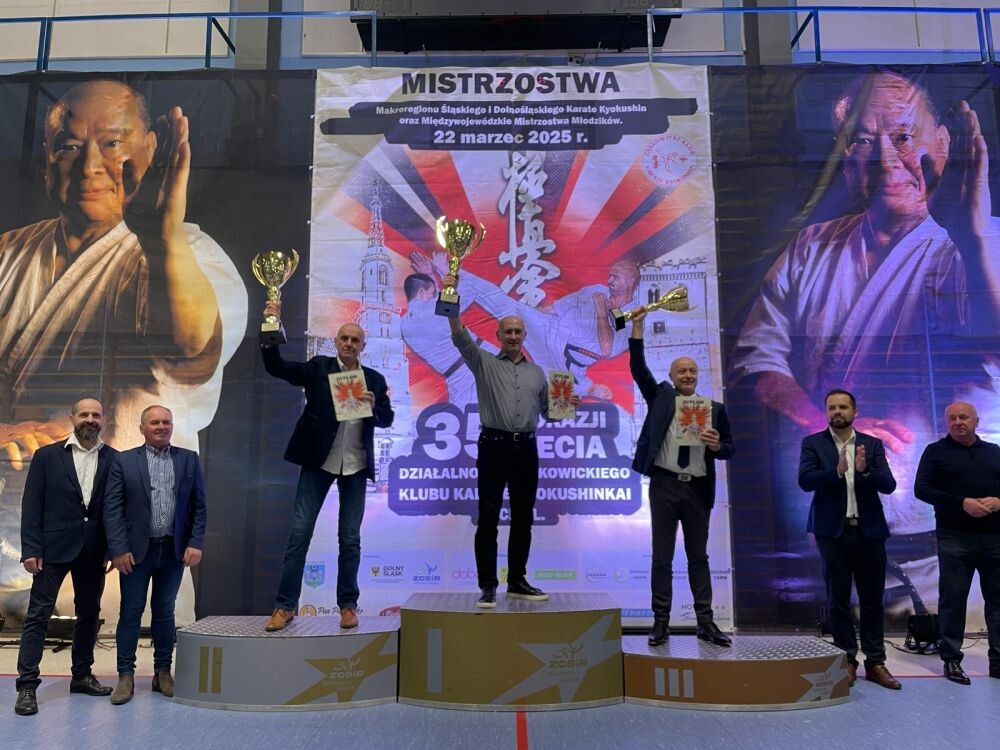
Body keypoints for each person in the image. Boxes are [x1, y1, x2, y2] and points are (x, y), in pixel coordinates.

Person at [730, 69, 1000, 608]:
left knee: (956, 629)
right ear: (843, 156)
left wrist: (970, 235)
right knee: (840, 633)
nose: (885, 160)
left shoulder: (979, 245)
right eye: (860, 141)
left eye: (903, 136)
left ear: (943, 143)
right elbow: (757, 362)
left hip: (939, 530)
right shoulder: (812, 248)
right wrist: (828, 426)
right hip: (833, 517)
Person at [0, 78, 245, 624]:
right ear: (46, 162)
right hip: (13, 546)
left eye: (112, 143)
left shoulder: (191, 256)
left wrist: (163, 242)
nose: (91, 165)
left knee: (125, 652)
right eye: (69, 146)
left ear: (151, 151)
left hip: (122, 550)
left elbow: (188, 349)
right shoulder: (8, 255)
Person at [442, 271, 580, 609]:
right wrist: (451, 294)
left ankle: (517, 580)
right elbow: (458, 334)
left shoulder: (538, 373)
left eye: (518, 332)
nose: (514, 336)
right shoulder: (483, 362)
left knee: (523, 518)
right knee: (488, 517)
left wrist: (566, 407)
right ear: (499, 335)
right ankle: (488, 586)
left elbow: (549, 413)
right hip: (493, 446)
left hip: (526, 449)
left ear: (524, 335)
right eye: (508, 332)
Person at [261, 305, 393, 632]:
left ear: (363, 346)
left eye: (355, 340)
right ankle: (284, 606)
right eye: (344, 338)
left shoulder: (374, 379)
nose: (349, 343)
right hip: (319, 463)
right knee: (299, 535)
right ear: (336, 341)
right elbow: (277, 367)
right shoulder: (318, 368)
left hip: (356, 466)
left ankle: (348, 606)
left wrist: (373, 407)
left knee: (349, 539)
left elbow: (387, 419)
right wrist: (270, 328)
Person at [629, 308, 733, 647]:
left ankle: (705, 622)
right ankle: (661, 622)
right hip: (665, 485)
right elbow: (638, 368)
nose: (687, 375)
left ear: (697, 376)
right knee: (661, 557)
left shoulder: (714, 408)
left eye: (692, 371)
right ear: (672, 377)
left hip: (698, 489)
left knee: (698, 557)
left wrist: (717, 445)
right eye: (682, 371)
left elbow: (730, 448)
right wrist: (637, 327)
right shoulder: (661, 397)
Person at [13, 398, 116, 716]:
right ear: (72, 418)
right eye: (84, 414)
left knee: (89, 614)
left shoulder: (114, 458)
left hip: (93, 550)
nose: (90, 419)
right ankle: (27, 685)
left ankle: (82, 676)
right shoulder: (46, 456)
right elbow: (32, 505)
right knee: (38, 615)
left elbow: (116, 509)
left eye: (96, 415)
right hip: (51, 550)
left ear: (104, 420)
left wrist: (112, 549)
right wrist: (31, 549)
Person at [103, 405, 207, 705]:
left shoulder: (188, 459)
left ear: (172, 426)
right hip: (135, 554)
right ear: (142, 428)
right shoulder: (124, 461)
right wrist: (118, 549)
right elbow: (112, 508)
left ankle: (163, 672)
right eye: (154, 422)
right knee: (131, 612)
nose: (161, 426)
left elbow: (199, 506)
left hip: (173, 551)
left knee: (164, 611)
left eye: (166, 422)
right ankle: (125, 676)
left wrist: (195, 542)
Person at [798, 389, 901, 689]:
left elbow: (889, 485)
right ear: (826, 412)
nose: (837, 412)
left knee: (872, 601)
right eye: (832, 407)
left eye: (843, 407)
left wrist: (865, 471)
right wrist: (836, 471)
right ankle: (847, 660)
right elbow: (805, 480)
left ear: (855, 411)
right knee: (838, 600)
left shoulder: (872, 444)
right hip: (832, 533)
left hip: (869, 533)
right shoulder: (813, 443)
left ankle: (876, 662)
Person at [914, 401, 1000, 685]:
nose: (958, 422)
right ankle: (951, 659)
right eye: (952, 418)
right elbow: (921, 489)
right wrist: (961, 503)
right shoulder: (935, 451)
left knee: (998, 602)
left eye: (963, 417)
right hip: (954, 537)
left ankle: (998, 661)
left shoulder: (994, 452)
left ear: (976, 421)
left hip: (995, 538)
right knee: (953, 600)